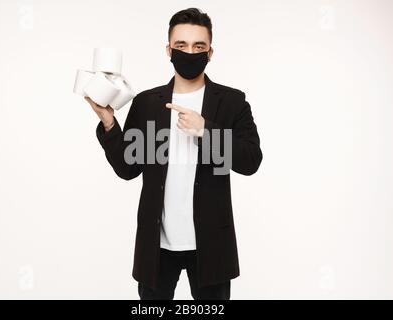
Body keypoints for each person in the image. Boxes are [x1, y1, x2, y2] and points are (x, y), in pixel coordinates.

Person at [85, 8, 263, 300]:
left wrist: (206, 129)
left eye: (198, 47)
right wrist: (108, 121)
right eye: (181, 46)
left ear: (210, 52)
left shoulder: (232, 102)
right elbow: (128, 168)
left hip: (211, 245)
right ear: (168, 50)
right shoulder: (147, 104)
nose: (189, 52)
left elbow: (250, 160)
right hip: (157, 246)